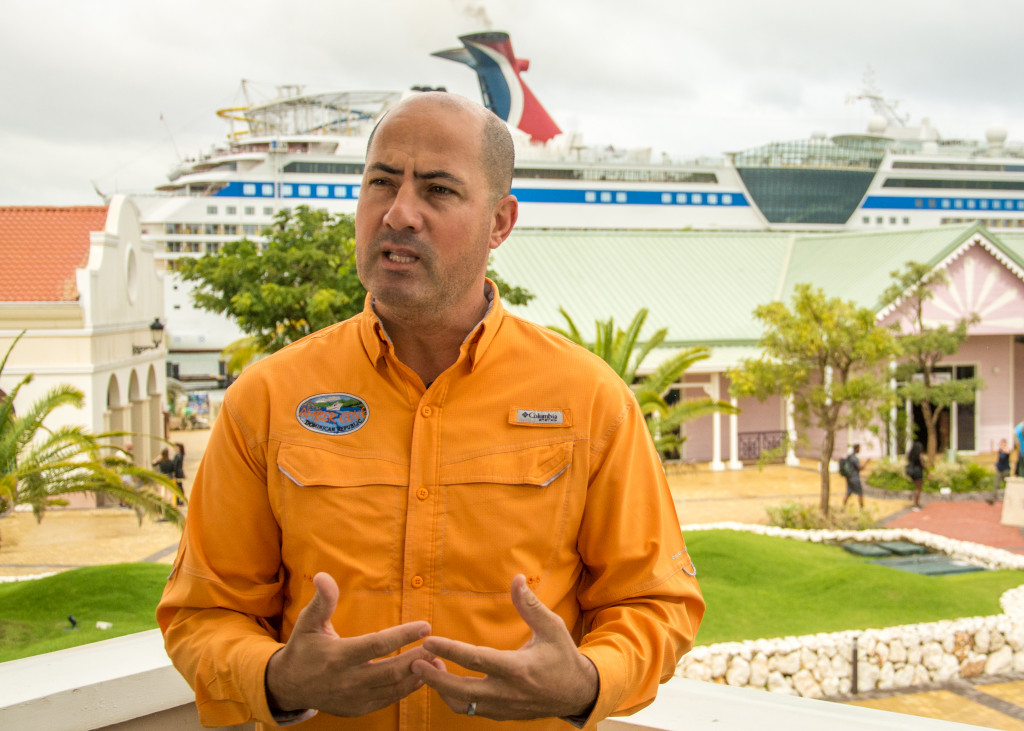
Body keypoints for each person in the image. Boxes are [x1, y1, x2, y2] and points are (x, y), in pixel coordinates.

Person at [156, 92, 704, 730]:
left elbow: (657, 602)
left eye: (438, 190)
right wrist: (278, 679)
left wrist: (586, 682)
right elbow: (202, 612)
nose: (398, 213)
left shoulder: (589, 400)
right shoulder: (267, 398)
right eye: (381, 183)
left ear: (499, 222)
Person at [840, 444, 868, 509]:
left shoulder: (849, 457)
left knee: (848, 493)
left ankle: (843, 507)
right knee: (860, 493)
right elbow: (860, 468)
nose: (860, 450)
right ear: (856, 449)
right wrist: (866, 462)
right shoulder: (854, 458)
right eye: (859, 448)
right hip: (855, 478)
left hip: (849, 477)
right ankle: (862, 508)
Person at [905, 439, 926, 510]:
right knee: (918, 488)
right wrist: (928, 471)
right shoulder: (920, 455)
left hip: (913, 472)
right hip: (918, 472)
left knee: (916, 488)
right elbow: (923, 464)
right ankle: (916, 504)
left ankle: (916, 503)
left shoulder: (911, 455)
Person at [992, 438, 1011, 504]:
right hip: (999, 470)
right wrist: (992, 443)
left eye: (1003, 443)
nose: (1002, 444)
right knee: (996, 484)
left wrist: (1000, 446)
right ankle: (993, 498)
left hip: (1006, 470)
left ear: (1005, 444)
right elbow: (993, 451)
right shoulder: (1000, 450)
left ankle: (1009, 498)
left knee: (1006, 485)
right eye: (1001, 443)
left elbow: (1007, 452)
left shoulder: (1007, 449)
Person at [170, 442, 186, 506]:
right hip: (179, 473)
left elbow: (175, 465)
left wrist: (173, 472)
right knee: (180, 487)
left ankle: (179, 500)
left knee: (178, 487)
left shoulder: (178, 455)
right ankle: (180, 500)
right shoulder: (180, 455)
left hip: (177, 473)